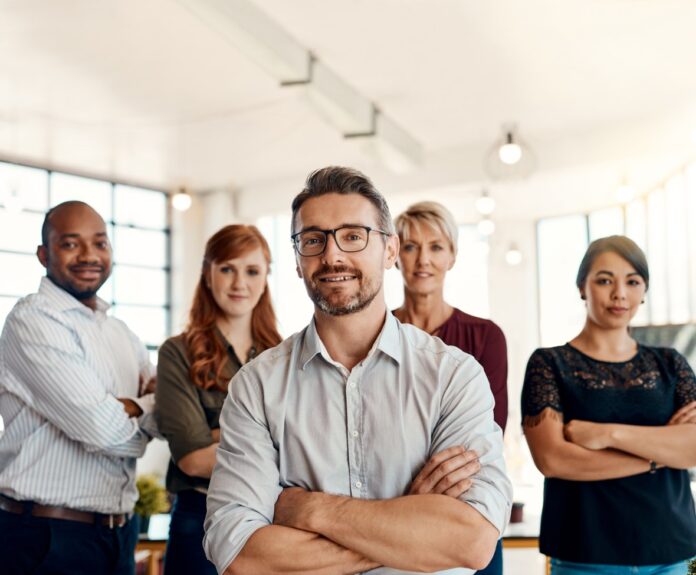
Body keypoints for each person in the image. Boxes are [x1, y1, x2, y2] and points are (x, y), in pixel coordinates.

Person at [204, 166, 512, 575]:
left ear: (389, 251)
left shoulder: (454, 376)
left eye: (353, 236)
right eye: (313, 240)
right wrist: (409, 522)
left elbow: (471, 541)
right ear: (297, 260)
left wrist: (308, 509)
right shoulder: (256, 386)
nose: (332, 256)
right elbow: (240, 554)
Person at [521, 235, 696, 575]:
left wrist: (607, 434)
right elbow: (553, 459)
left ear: (643, 292)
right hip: (585, 553)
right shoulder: (549, 364)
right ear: (582, 287)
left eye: (633, 281)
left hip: (672, 551)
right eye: (605, 280)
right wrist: (662, 450)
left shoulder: (671, 363)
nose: (620, 294)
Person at [0, 201, 158, 575]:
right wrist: (143, 414)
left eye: (100, 243)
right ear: (43, 254)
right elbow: (101, 430)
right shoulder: (32, 322)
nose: (89, 255)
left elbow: (169, 415)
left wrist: (133, 408)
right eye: (71, 244)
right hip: (45, 536)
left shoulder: (121, 333)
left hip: (119, 532)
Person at [155, 224, 282, 575]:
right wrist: (268, 442)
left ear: (265, 278)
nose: (239, 283)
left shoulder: (284, 355)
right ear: (207, 275)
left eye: (252, 271)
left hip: (272, 518)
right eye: (227, 269)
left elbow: (310, 443)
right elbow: (193, 460)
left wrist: (218, 436)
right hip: (200, 517)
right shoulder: (177, 353)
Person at [393, 201, 509, 575]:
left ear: (452, 257)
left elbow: (485, 441)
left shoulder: (485, 336)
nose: (422, 259)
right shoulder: (374, 336)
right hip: (391, 511)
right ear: (394, 255)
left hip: (470, 511)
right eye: (410, 246)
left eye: (436, 247)